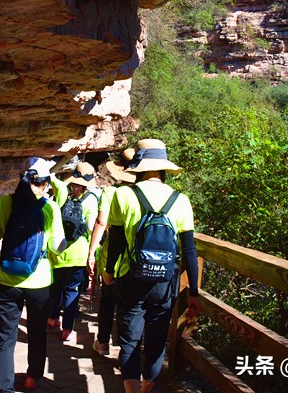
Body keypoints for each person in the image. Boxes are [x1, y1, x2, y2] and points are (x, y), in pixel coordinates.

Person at [102, 139, 202, 393]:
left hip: (130, 278)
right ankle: (147, 389)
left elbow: (115, 241)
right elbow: (189, 250)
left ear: (139, 166)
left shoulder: (123, 194)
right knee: (156, 342)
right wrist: (194, 292)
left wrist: (109, 271)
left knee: (129, 341)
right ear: (163, 169)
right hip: (164, 283)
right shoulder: (181, 200)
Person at [0, 158, 66, 393]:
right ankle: (32, 377)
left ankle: (4, 389)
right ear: (45, 183)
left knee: (4, 339)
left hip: (7, 280)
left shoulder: (6, 202)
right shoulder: (50, 208)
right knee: (37, 332)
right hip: (39, 282)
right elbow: (58, 247)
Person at [86, 149, 136, 356]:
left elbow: (101, 222)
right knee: (131, 305)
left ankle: (103, 342)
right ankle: (128, 349)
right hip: (134, 259)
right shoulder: (142, 194)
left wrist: (90, 253)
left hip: (110, 257)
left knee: (107, 301)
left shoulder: (111, 192)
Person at [47, 162, 99, 344]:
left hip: (58, 251)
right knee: (72, 290)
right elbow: (93, 228)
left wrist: (66, 158)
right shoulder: (91, 199)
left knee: (56, 287)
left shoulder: (62, 191)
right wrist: (94, 254)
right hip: (79, 253)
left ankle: (52, 318)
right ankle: (67, 330)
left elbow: (49, 173)